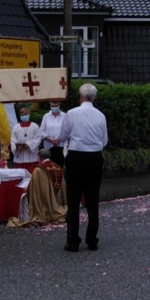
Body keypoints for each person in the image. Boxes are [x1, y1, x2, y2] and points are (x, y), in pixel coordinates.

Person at [62, 84, 108, 252]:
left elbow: (63, 136)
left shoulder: (71, 114)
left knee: (73, 199)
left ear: (80, 96)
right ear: (94, 97)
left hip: (76, 156)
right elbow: (104, 141)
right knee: (92, 199)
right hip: (94, 157)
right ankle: (92, 239)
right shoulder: (101, 115)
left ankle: (73, 240)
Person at [10, 104, 42, 172]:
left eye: (25, 114)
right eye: (22, 115)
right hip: (19, 158)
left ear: (29, 114)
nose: (24, 116)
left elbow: (38, 138)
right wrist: (17, 147)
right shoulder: (16, 127)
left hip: (32, 158)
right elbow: (13, 140)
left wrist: (28, 144)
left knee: (32, 178)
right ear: (20, 116)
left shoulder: (35, 126)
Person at [39, 101, 68, 166]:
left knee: (60, 166)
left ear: (59, 105)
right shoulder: (46, 116)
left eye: (56, 106)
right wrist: (50, 139)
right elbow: (41, 131)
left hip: (61, 146)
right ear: (50, 106)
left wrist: (59, 139)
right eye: (52, 106)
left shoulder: (64, 116)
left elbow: (67, 130)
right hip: (49, 146)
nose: (54, 107)